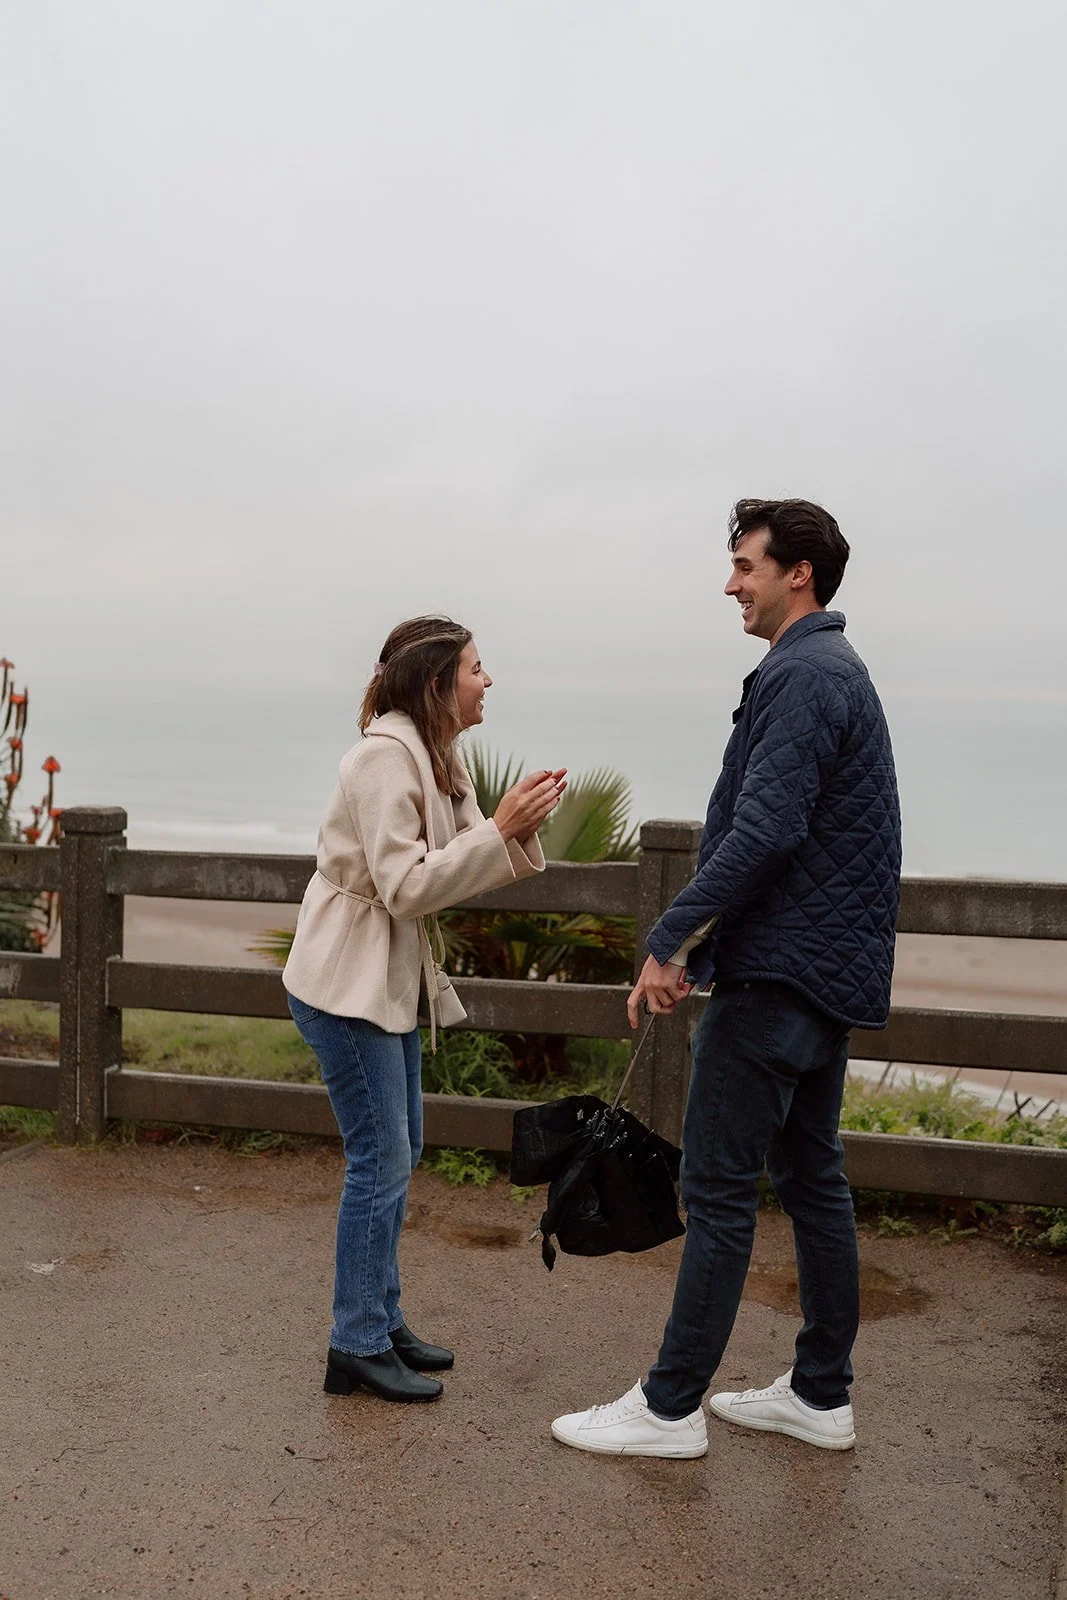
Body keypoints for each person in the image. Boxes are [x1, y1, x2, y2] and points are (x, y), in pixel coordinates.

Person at [552, 498, 901, 1458]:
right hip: (822, 976)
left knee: (715, 1193)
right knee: (812, 1181)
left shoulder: (802, 672)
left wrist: (670, 939)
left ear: (798, 574)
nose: (729, 584)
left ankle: (668, 1409)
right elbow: (815, 843)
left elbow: (766, 831)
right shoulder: (836, 670)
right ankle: (820, 1395)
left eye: (745, 566)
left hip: (778, 980)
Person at [285, 615, 565, 1404]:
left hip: (387, 978)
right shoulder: (383, 758)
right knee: (379, 1160)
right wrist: (500, 832)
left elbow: (466, 856)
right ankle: (355, 1344)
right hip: (345, 981)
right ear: (438, 683)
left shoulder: (440, 752)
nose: (487, 680)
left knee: (397, 1153)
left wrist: (514, 828)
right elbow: (407, 886)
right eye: (476, 668)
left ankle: (379, 1319)